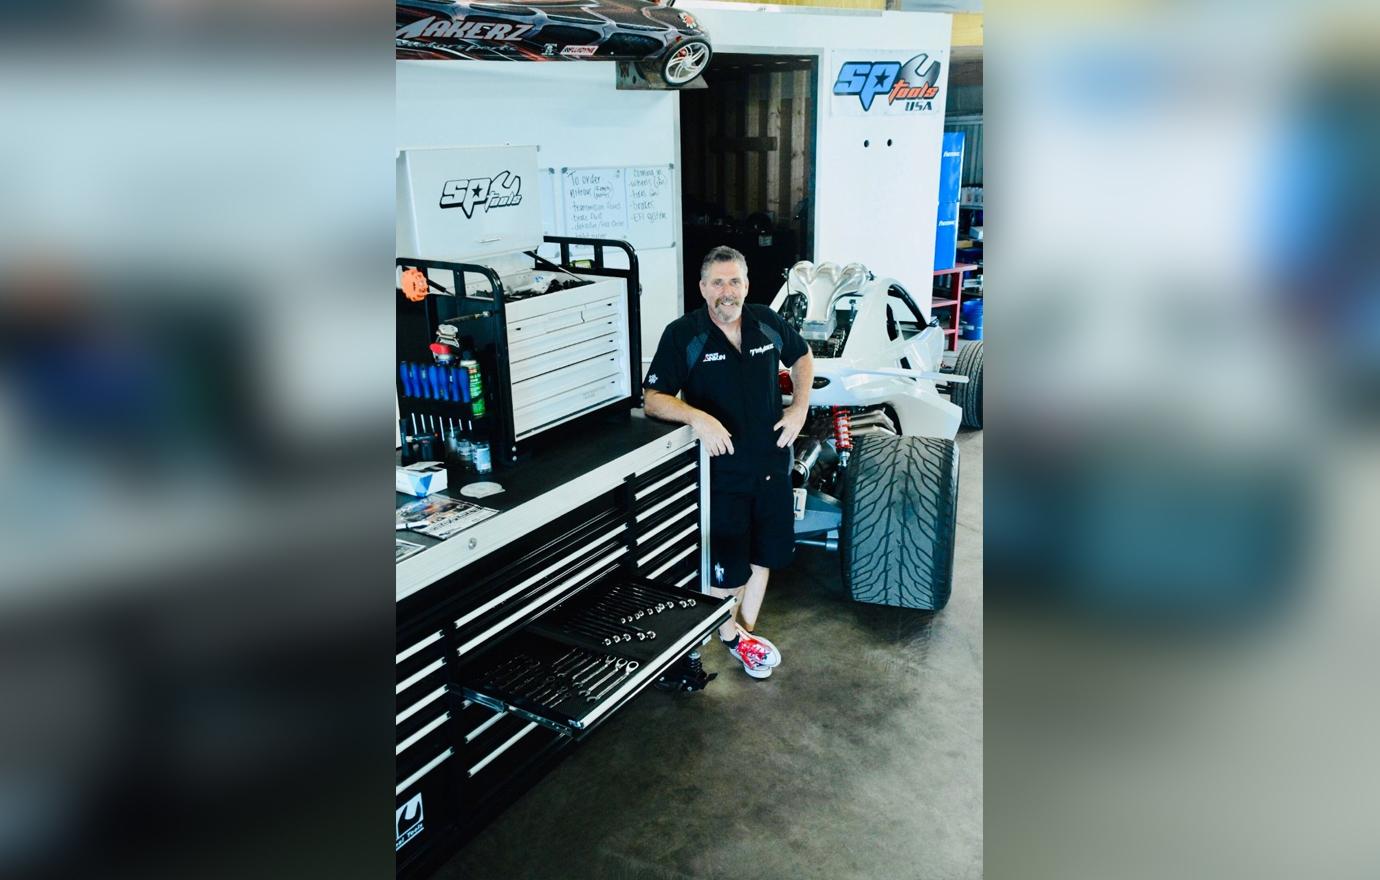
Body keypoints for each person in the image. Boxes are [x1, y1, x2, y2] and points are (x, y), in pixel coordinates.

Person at [643, 246, 814, 679]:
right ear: (702, 288)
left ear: (747, 285)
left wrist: (799, 409)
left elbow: (803, 357)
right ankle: (721, 637)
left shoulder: (766, 323)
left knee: (762, 557)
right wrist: (697, 416)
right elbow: (653, 399)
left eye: (734, 281)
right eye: (717, 282)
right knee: (725, 569)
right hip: (722, 474)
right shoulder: (684, 334)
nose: (727, 291)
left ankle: (744, 638)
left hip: (773, 464)